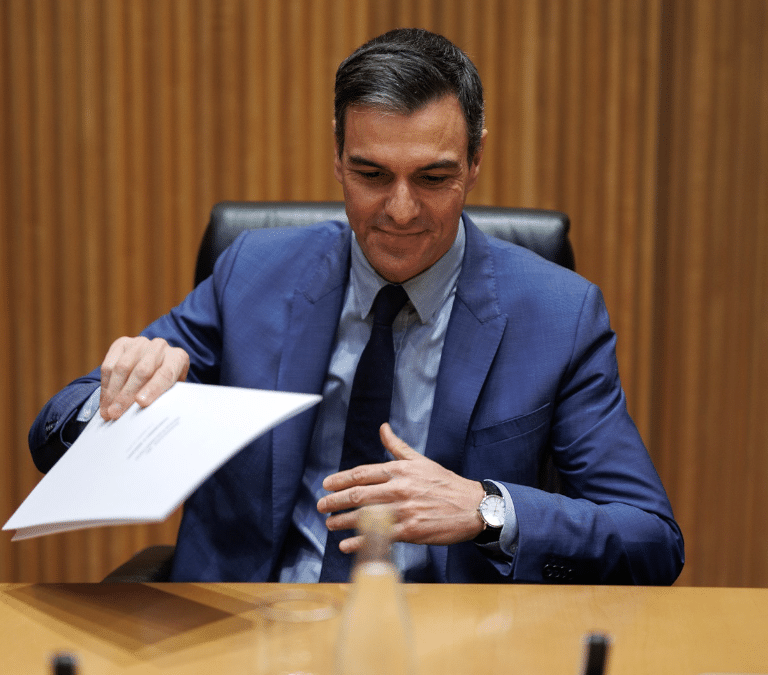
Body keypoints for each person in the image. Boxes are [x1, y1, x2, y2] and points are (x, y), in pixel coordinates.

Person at [29, 28, 684, 584]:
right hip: (250, 630)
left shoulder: (559, 315)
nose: (400, 209)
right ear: (338, 157)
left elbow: (650, 537)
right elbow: (54, 434)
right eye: (372, 174)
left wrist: (485, 509)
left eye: (433, 177)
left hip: (447, 641)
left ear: (476, 161)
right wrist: (117, 396)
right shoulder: (254, 273)